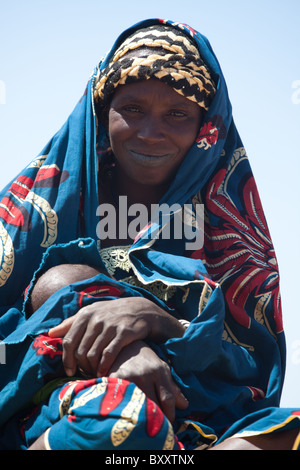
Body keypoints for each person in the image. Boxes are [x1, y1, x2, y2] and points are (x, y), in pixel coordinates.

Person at [0, 19, 299, 450]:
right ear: (103, 114)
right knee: (126, 419)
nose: (149, 132)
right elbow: (37, 296)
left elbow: (251, 365)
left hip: (195, 413)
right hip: (59, 401)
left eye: (177, 113)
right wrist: (124, 350)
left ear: (206, 127)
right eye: (133, 109)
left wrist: (161, 322)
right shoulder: (38, 207)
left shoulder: (226, 225)